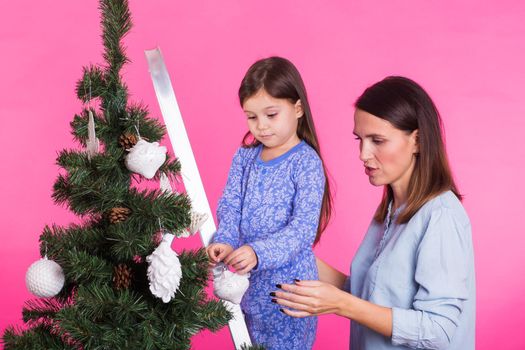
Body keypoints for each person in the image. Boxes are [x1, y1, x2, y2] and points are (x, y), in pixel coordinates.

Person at [272, 76, 476, 349]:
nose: (363, 153)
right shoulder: (391, 210)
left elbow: (437, 330)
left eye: (377, 140)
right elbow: (369, 294)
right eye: (360, 139)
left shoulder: (441, 216)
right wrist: (283, 252)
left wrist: (341, 305)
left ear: (417, 140)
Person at [206, 56, 332, 349]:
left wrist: (257, 251)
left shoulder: (306, 163)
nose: (261, 126)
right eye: (252, 117)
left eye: (271, 114)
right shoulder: (245, 158)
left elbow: (301, 230)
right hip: (247, 289)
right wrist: (224, 240)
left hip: (288, 294)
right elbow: (230, 206)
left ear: (297, 108)